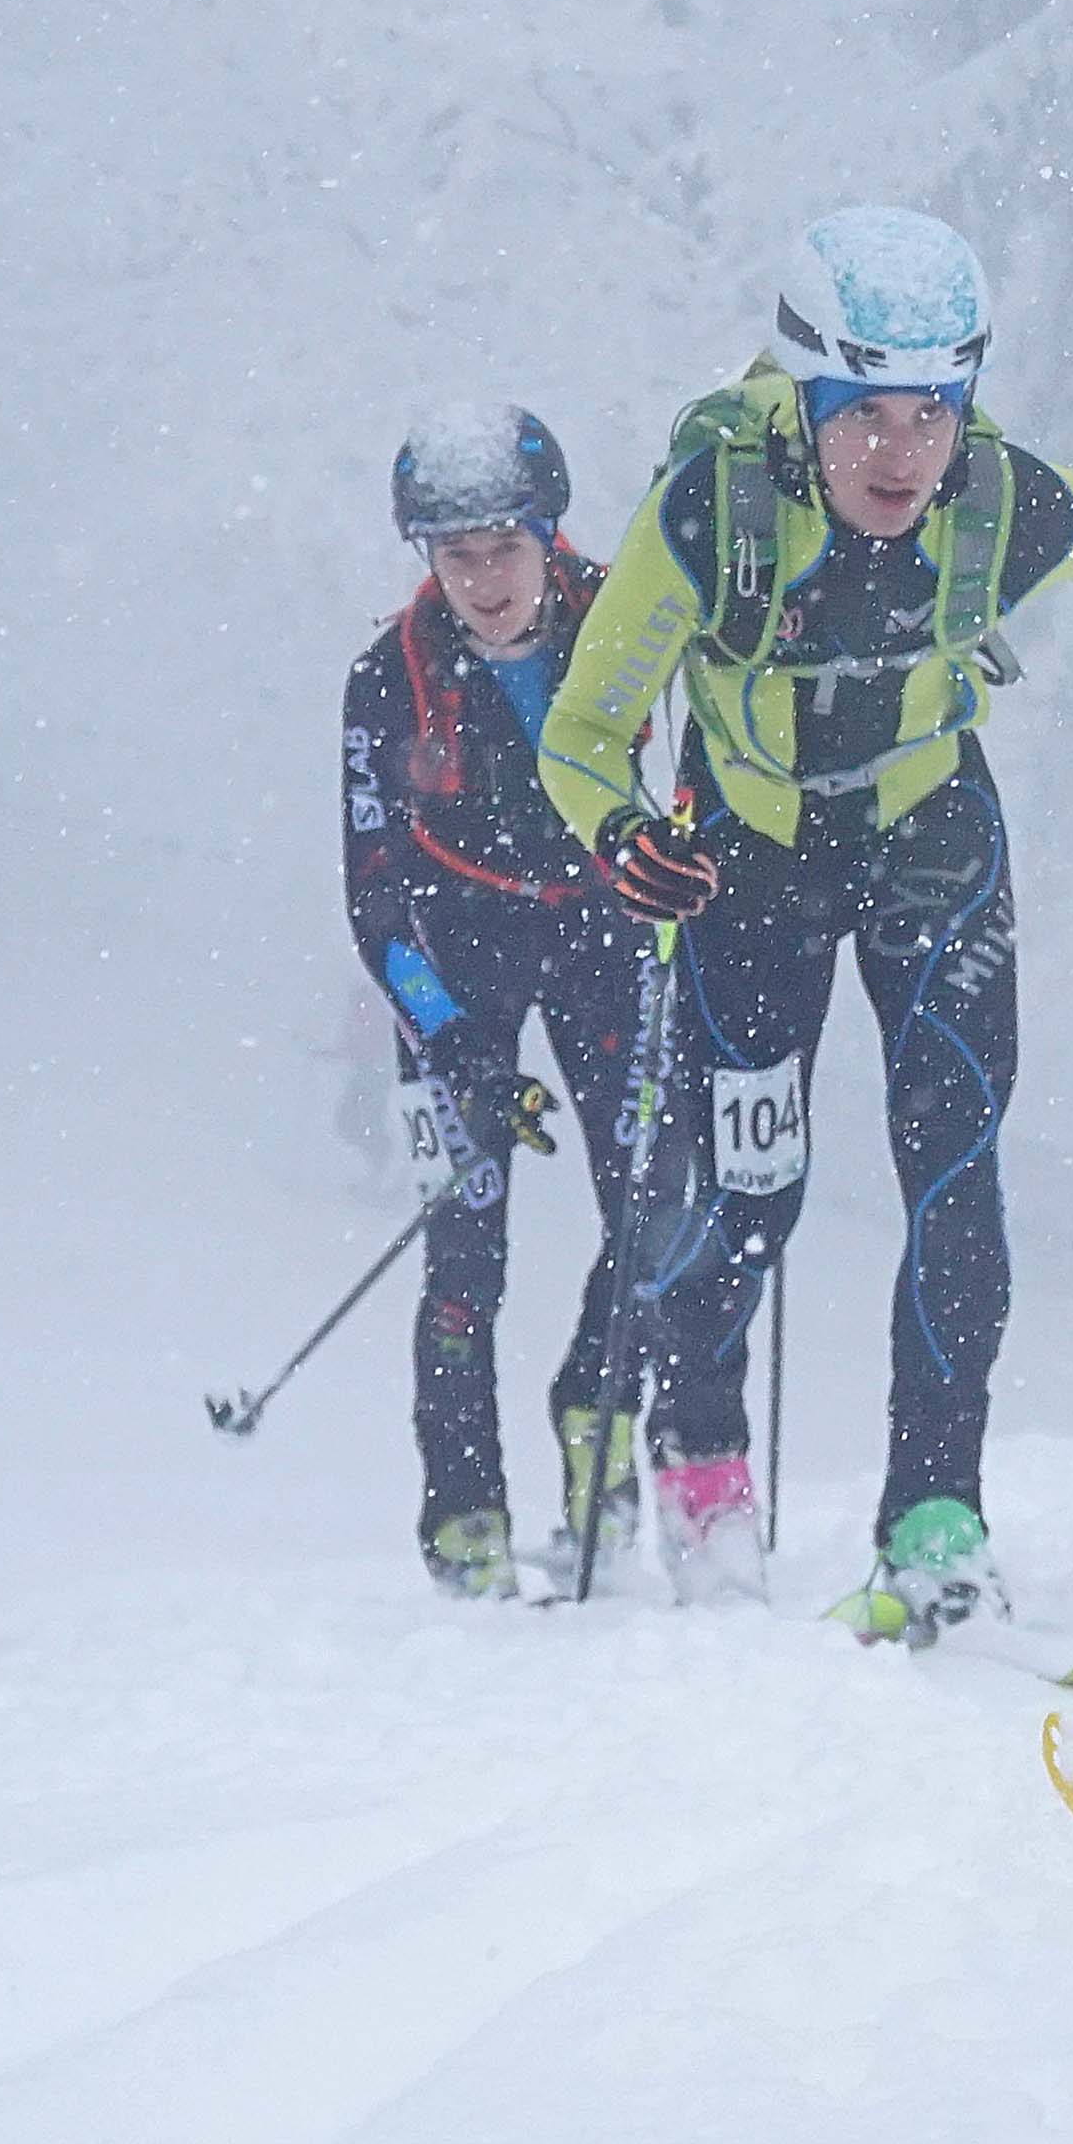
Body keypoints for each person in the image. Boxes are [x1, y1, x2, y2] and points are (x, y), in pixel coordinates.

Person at [540, 206, 1073, 1632]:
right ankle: (704, 1476)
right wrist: (618, 830)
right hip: (745, 867)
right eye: (866, 418)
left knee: (955, 1169)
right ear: (803, 405)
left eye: (932, 413)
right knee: (748, 1195)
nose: (902, 456)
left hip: (926, 839)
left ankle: (932, 1511)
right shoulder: (709, 512)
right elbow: (582, 731)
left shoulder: (1004, 502)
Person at [343, 398, 638, 1600]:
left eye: (505, 548)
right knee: (463, 1255)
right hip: (459, 961)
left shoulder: (631, 616)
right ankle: (463, 1510)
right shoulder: (383, 681)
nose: (484, 579)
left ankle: (596, 1415)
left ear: (548, 535)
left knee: (655, 1215)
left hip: (607, 938)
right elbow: (373, 908)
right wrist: (458, 1045)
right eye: (455, 556)